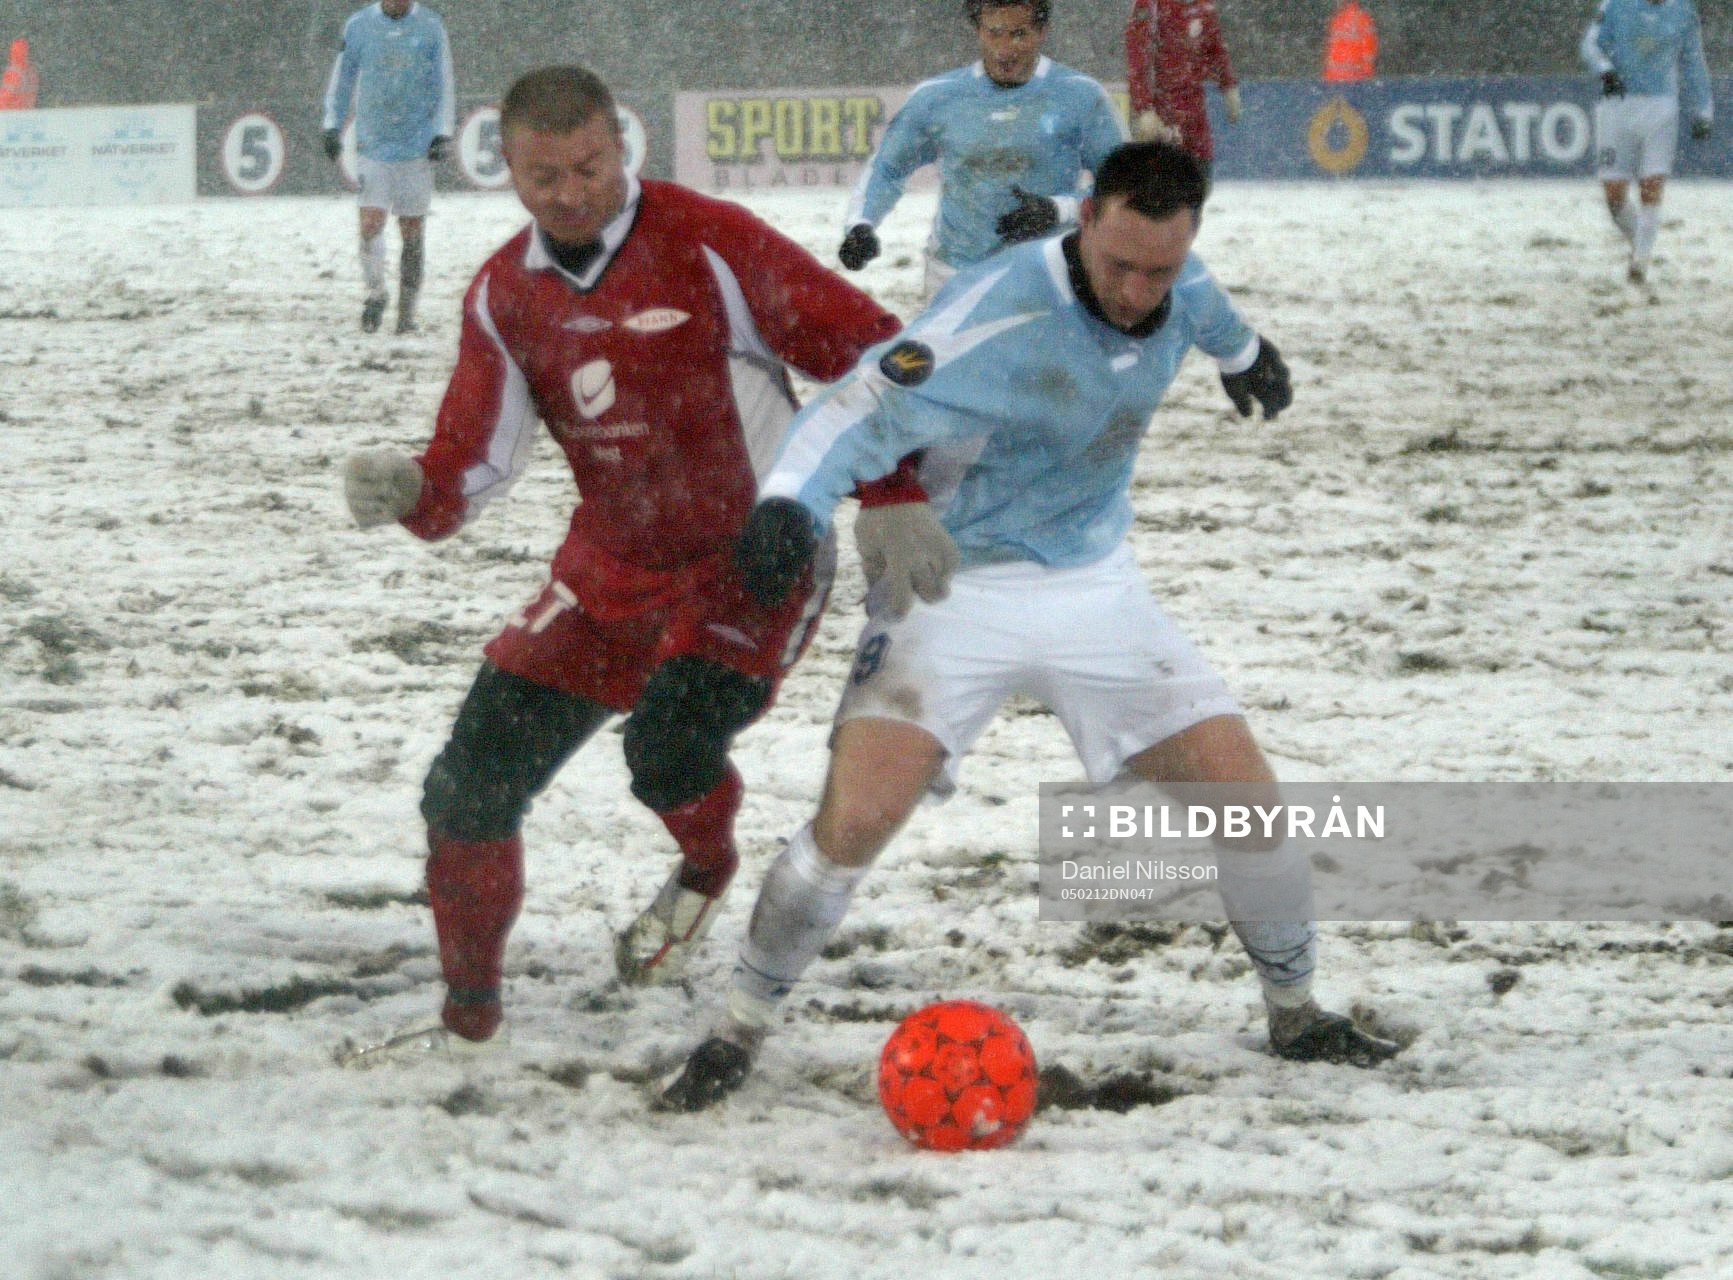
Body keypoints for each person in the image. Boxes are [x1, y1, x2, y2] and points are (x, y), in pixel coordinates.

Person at [661, 141, 1402, 1111]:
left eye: (1161, 268)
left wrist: (1245, 355)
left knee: (1250, 809)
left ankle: (1297, 1012)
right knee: (855, 820)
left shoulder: (1179, 281)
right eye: (1119, 264)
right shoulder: (993, 307)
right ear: (1083, 219)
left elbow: (1209, 312)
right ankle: (739, 1025)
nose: (1138, 289)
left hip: (1094, 586)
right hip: (949, 586)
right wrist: (791, 503)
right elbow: (858, 401)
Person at [340, 66, 934, 1045]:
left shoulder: (708, 240)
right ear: (507, 172)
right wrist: (410, 487)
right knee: (465, 787)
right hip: (606, 570)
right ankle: (467, 1023)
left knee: (664, 749)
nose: (570, 193)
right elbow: (472, 463)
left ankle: (704, 868)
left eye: (587, 167)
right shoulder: (501, 291)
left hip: (753, 553)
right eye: (544, 176)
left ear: (622, 148)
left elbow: (872, 351)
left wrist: (888, 491)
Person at [838, 0, 1124, 300]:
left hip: (1047, 275)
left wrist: (1057, 210)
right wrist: (861, 224)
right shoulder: (937, 98)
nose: (1004, 49)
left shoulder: (1081, 97)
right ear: (978, 30)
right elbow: (887, 167)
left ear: (1042, 32)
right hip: (954, 275)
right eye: (994, 33)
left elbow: (1123, 190)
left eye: (1018, 34)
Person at [321, 0, 456, 333]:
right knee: (369, 223)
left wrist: (442, 131)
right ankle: (376, 292)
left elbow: (444, 82)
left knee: (412, 232)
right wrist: (332, 124)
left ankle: (406, 316)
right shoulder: (358, 26)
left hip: (416, 146)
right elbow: (343, 78)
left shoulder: (430, 27)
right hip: (373, 144)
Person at [1580, 0, 1713, 285]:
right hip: (1616, 105)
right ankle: (1639, 242)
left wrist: (1704, 108)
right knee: (1614, 195)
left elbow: (1693, 60)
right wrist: (1605, 70)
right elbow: (1591, 45)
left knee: (1651, 185)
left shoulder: (1683, 11)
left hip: (1661, 106)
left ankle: (1639, 263)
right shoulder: (1615, 5)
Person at [1126, 0, 1241, 178]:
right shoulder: (1150, 6)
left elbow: (1216, 51)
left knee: (1201, 172)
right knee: (1162, 180)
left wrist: (1228, 87)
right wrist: (1144, 109)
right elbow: (1138, 59)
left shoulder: (1204, 7)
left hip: (1195, 110)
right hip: (1162, 111)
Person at [1322, 0, 1378, 83]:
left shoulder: (1337, 20)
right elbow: (1369, 52)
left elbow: (1331, 51)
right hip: (1355, 79)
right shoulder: (1364, 20)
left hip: (1335, 80)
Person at [0, 38, 39, 110]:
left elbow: (5, 96)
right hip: (26, 112)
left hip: (10, 113)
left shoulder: (14, 72)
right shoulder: (31, 72)